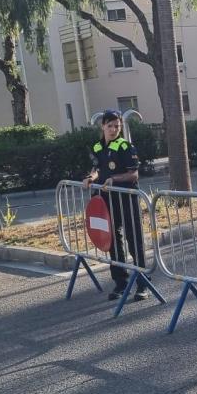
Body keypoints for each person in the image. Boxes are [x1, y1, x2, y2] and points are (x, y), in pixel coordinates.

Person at [83, 109, 149, 302]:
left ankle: (143, 283)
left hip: (127, 198)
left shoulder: (125, 146)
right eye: (110, 125)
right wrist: (90, 177)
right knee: (113, 241)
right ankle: (121, 283)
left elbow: (134, 174)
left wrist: (114, 179)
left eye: (117, 126)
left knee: (134, 240)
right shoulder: (97, 147)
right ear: (102, 126)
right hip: (107, 200)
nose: (113, 129)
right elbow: (97, 169)